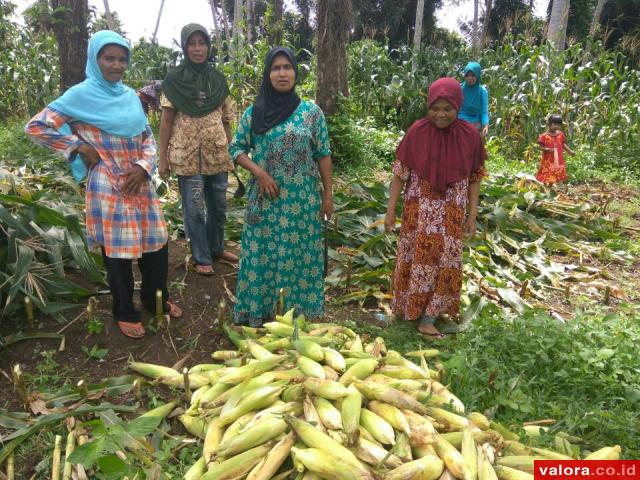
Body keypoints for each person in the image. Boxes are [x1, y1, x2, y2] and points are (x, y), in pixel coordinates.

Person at [25, 30, 181, 339]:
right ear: (95, 60)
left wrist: (143, 166)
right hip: (108, 183)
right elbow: (36, 126)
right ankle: (124, 310)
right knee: (118, 251)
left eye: (122, 59)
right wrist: (77, 147)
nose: (117, 65)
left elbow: (146, 138)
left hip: (140, 180)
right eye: (109, 58)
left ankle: (155, 299)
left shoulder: (128, 96)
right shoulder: (79, 96)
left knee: (156, 244)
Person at [229, 47, 333, 327]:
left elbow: (323, 154)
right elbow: (236, 149)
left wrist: (328, 196)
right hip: (266, 201)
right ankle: (261, 313)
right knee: (262, 255)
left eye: (287, 67)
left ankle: (298, 314)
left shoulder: (311, 113)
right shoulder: (254, 113)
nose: (282, 73)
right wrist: (258, 172)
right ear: (268, 73)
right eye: (276, 68)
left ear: (295, 73)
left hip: (302, 202)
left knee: (300, 256)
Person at [384, 77, 487, 338]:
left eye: (447, 108)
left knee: (445, 260)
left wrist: (472, 214)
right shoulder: (417, 132)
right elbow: (399, 174)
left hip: (451, 214)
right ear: (428, 105)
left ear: (457, 106)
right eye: (435, 108)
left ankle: (429, 316)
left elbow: (475, 178)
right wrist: (390, 211)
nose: (440, 114)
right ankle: (409, 308)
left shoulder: (469, 136)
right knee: (415, 258)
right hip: (418, 214)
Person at [159, 23, 238, 276]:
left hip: (217, 153)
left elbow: (227, 118)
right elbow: (166, 122)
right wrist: (163, 158)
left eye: (201, 43)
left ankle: (216, 248)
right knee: (194, 208)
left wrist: (231, 150)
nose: (197, 49)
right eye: (191, 43)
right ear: (184, 47)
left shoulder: (218, 80)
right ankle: (201, 256)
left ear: (208, 46)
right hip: (187, 156)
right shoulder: (174, 81)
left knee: (219, 205)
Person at [536, 114, 575, 185]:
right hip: (548, 160)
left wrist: (570, 151)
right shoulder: (544, 136)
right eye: (554, 124)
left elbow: (563, 144)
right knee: (547, 172)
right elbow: (540, 147)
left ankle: (549, 187)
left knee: (556, 172)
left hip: (558, 159)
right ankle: (545, 186)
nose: (556, 126)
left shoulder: (560, 134)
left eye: (558, 125)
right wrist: (546, 149)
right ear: (549, 124)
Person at [458, 61, 489, 137]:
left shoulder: (482, 92)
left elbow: (484, 112)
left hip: (475, 125)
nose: (470, 78)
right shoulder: (459, 88)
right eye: (467, 75)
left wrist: (486, 126)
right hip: (459, 123)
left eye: (473, 75)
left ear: (477, 76)